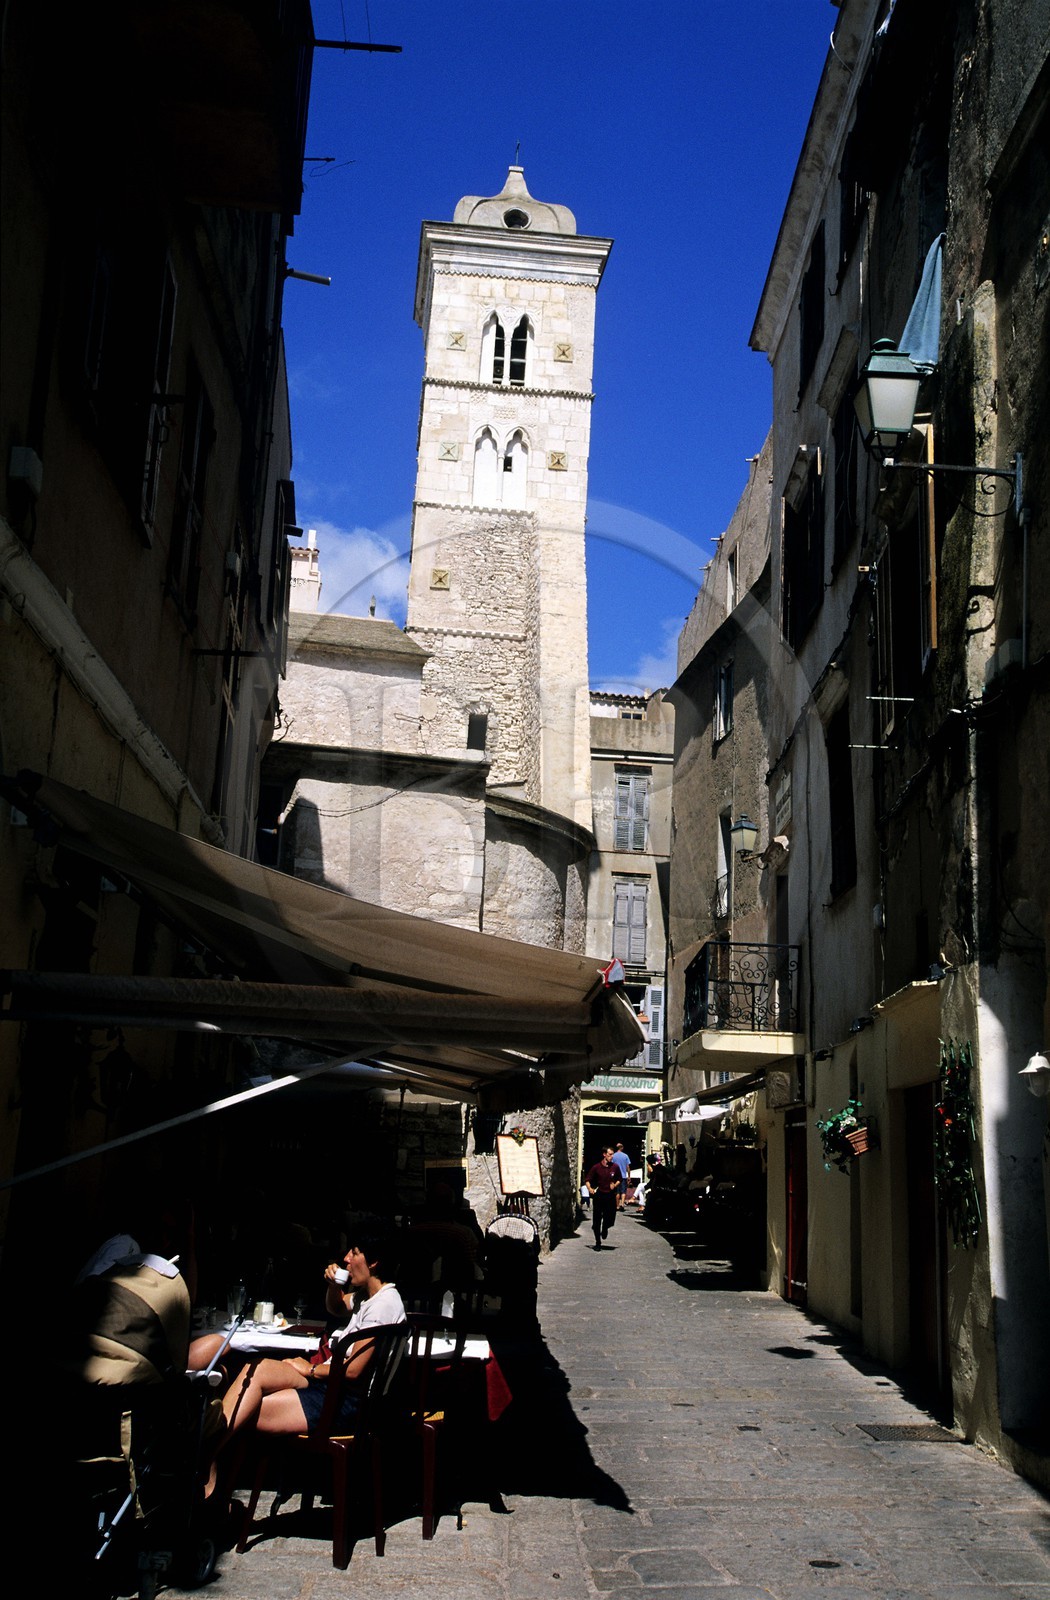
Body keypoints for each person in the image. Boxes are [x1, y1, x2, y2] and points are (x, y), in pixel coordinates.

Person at [204, 1223, 405, 1497]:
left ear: (373, 1261)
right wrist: (333, 1286)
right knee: (257, 1370)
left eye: (354, 1252)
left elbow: (354, 1372)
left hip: (346, 1403)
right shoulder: (369, 1297)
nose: (346, 1258)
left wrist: (310, 1370)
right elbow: (336, 1306)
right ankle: (208, 1460)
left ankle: (205, 1462)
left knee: (246, 1407)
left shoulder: (383, 1305)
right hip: (332, 1388)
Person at [585, 1147, 619, 1250]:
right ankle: (598, 1242)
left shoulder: (615, 1167)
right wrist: (590, 1188)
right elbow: (587, 1180)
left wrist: (615, 1185)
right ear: (604, 1154)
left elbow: (619, 1179)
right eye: (610, 1154)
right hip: (599, 1195)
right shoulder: (596, 1167)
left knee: (610, 1217)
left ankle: (605, 1227)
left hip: (610, 1196)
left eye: (612, 1154)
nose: (611, 1156)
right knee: (597, 1220)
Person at [610, 1142, 631, 1210]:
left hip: (616, 1177)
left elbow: (611, 1166)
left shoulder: (613, 1156)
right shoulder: (625, 1156)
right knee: (623, 1191)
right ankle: (622, 1204)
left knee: (617, 1192)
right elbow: (628, 1166)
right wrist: (629, 1176)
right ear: (622, 1148)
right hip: (623, 1176)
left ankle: (617, 1205)